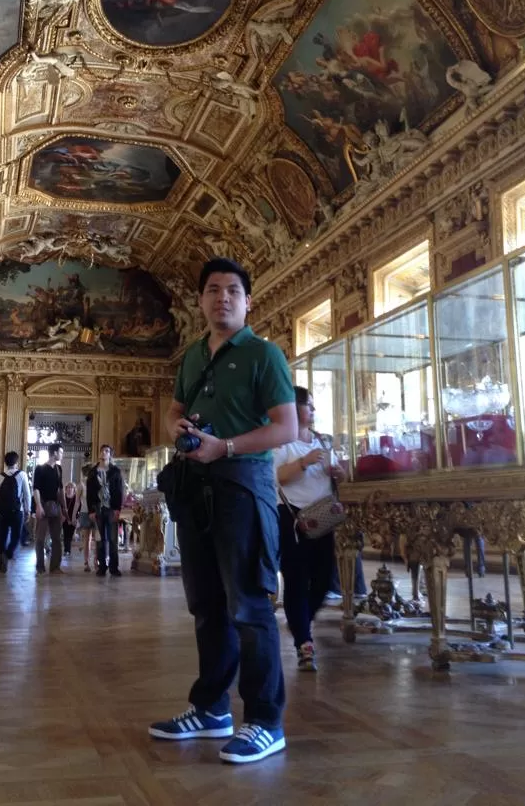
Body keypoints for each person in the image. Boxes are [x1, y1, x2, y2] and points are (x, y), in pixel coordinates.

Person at [148, 257, 297, 765]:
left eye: (232, 290)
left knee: (250, 606)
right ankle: (211, 707)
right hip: (196, 487)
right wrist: (176, 428)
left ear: (247, 300)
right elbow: (173, 408)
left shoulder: (264, 354)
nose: (222, 298)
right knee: (207, 605)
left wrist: (225, 447)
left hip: (242, 485)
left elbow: (287, 428)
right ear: (201, 300)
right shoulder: (193, 355)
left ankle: (264, 720)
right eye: (212, 290)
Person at [274, 386, 343, 671]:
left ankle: (299, 620)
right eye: (309, 406)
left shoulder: (323, 442)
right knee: (297, 580)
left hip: (323, 516)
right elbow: (278, 478)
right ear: (294, 407)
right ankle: (304, 642)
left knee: (325, 580)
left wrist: (338, 472)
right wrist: (303, 462)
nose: (313, 411)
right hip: (293, 519)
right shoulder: (282, 442)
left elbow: (337, 473)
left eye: (314, 407)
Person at [0, 451, 31, 574]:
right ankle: (7, 555)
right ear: (17, 462)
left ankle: (0, 562)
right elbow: (27, 495)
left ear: (5, 463)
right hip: (16, 512)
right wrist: (28, 509)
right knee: (16, 537)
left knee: (2, 538)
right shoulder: (22, 475)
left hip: (1, 513)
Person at [86, 445, 123, 577]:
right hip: (98, 508)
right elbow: (89, 493)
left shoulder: (115, 471)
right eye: (101, 451)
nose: (103, 453)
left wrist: (118, 509)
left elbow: (119, 491)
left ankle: (114, 567)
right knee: (100, 539)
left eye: (106, 451)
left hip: (111, 509)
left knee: (113, 539)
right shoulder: (93, 472)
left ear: (110, 455)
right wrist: (91, 510)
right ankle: (102, 567)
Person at [32, 443, 64, 574]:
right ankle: (40, 566)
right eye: (61, 452)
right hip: (44, 504)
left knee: (57, 537)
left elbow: (60, 490)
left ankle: (55, 566)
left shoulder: (59, 469)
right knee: (40, 538)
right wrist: (38, 506)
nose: (62, 455)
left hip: (55, 506)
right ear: (55, 453)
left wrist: (64, 508)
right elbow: (36, 489)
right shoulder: (40, 469)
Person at [74, 463, 94, 571]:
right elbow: (77, 502)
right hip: (85, 513)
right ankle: (87, 562)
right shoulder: (81, 485)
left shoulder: (96, 483)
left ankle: (96, 560)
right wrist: (74, 516)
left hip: (96, 513)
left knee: (97, 538)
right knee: (88, 539)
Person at [62, 481, 78, 556]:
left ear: (74, 489)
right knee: (66, 534)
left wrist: (76, 519)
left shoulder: (76, 498)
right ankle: (66, 550)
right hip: (65, 518)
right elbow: (61, 507)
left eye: (71, 487)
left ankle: (68, 549)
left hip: (73, 519)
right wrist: (63, 516)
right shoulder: (63, 497)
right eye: (68, 487)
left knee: (70, 535)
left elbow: (79, 509)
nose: (69, 489)